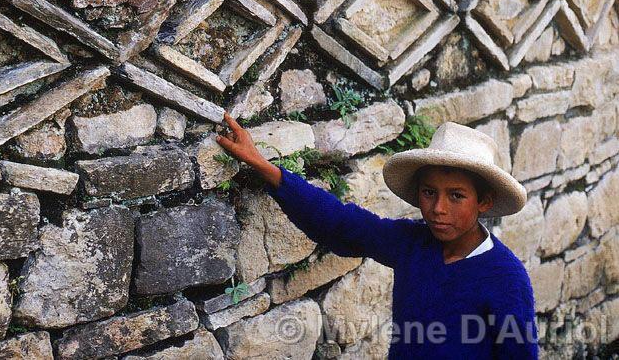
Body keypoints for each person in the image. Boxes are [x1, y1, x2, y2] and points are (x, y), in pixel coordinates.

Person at [215, 111, 539, 359]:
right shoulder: (412, 243)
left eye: (456, 196)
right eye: (429, 193)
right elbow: (342, 224)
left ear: (484, 201)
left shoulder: (505, 278)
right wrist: (262, 165)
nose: (438, 208)